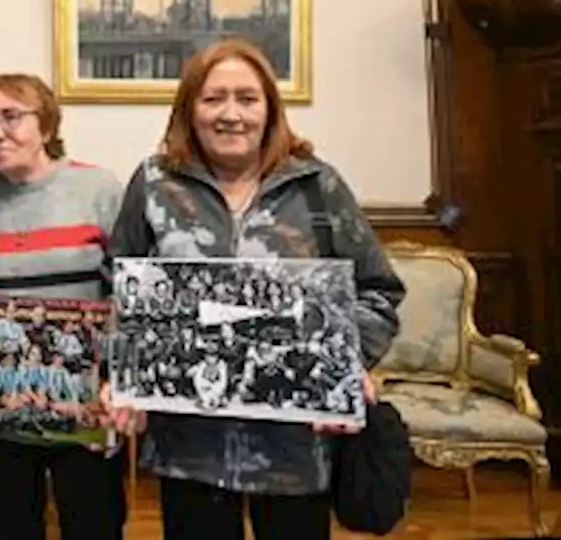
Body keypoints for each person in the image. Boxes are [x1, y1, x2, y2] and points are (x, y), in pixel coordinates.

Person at [106, 37, 405, 540]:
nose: (231, 114)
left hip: (294, 445)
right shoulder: (155, 183)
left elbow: (378, 292)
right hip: (190, 445)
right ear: (189, 109)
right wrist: (123, 373)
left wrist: (347, 360)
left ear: (270, 109)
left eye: (247, 98)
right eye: (213, 98)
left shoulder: (317, 185)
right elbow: (118, 288)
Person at [0, 73, 134, 540]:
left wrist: (119, 382)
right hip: (5, 415)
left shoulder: (100, 190)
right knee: (10, 526)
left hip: (85, 410)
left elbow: (129, 297)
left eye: (11, 117)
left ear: (46, 126)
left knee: (94, 525)